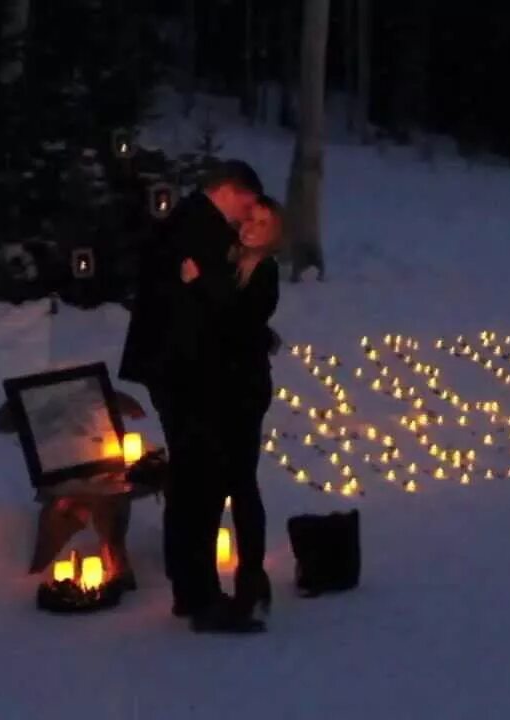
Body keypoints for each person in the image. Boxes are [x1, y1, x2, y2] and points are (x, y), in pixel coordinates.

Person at [118, 160, 264, 632]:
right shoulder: (198, 227)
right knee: (199, 480)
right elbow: (209, 302)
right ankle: (199, 596)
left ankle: (189, 587)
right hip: (186, 373)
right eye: (248, 201)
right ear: (230, 190)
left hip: (182, 369)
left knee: (193, 477)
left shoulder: (188, 222)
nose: (249, 213)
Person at [181, 195, 283, 624]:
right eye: (249, 218)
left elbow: (240, 321)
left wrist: (198, 284)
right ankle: (243, 579)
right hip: (219, 388)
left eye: (262, 222)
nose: (250, 226)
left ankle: (249, 577)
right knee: (230, 482)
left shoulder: (265, 272)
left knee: (239, 482)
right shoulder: (228, 262)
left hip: (243, 391)